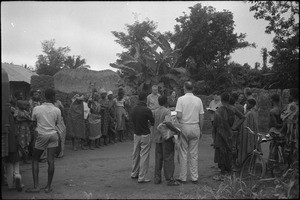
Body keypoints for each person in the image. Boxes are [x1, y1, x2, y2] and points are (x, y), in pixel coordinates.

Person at [26, 88, 62, 193]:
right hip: (53, 135)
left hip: (41, 135)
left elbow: (33, 122)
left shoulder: (37, 108)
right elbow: (57, 124)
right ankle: (48, 187)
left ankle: (36, 186)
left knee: (35, 159)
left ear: (44, 97)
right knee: (51, 161)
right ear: (53, 97)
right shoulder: (57, 110)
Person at [175, 81, 204, 184]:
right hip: (195, 126)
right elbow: (201, 117)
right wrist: (201, 130)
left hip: (184, 126)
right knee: (194, 153)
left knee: (183, 153)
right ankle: (194, 177)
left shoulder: (181, 99)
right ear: (193, 88)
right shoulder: (198, 100)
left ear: (184, 88)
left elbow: (178, 115)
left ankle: (183, 177)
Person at [212, 92, 245, 181]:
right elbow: (242, 117)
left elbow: (214, 125)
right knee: (229, 151)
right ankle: (229, 172)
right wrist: (234, 127)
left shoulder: (218, 111)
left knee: (221, 152)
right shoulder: (233, 109)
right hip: (230, 132)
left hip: (220, 133)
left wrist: (214, 138)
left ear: (222, 101)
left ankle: (223, 172)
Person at [153, 95, 180, 186]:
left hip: (157, 137)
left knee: (158, 158)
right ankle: (169, 179)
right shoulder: (167, 111)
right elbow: (168, 122)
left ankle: (157, 178)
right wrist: (176, 130)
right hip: (166, 137)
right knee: (168, 157)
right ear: (166, 102)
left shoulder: (155, 111)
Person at [130, 91, 154, 183]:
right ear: (146, 99)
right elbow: (152, 121)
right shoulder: (147, 110)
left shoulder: (134, 109)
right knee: (144, 155)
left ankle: (134, 173)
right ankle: (142, 176)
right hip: (145, 134)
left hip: (136, 134)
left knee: (135, 154)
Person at [237, 98, 259, 166]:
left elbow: (249, 125)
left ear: (252, 104)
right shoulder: (251, 112)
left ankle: (245, 163)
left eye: (248, 103)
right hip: (248, 132)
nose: (246, 105)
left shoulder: (250, 113)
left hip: (247, 133)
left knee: (246, 147)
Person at [280, 88, 299, 161]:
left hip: (292, 132)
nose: (288, 96)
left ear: (293, 95)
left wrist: (281, 132)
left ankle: (289, 168)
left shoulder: (292, 106)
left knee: (289, 151)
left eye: (289, 94)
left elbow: (285, 119)